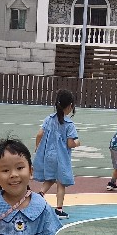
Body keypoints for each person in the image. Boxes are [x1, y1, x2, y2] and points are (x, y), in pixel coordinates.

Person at [33, 90, 80, 219]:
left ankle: (39, 196)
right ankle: (59, 209)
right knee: (61, 183)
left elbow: (39, 134)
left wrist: (37, 147)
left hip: (48, 155)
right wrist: (77, 142)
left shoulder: (49, 119)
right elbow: (70, 143)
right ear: (70, 106)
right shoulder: (69, 124)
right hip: (61, 157)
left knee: (50, 178)